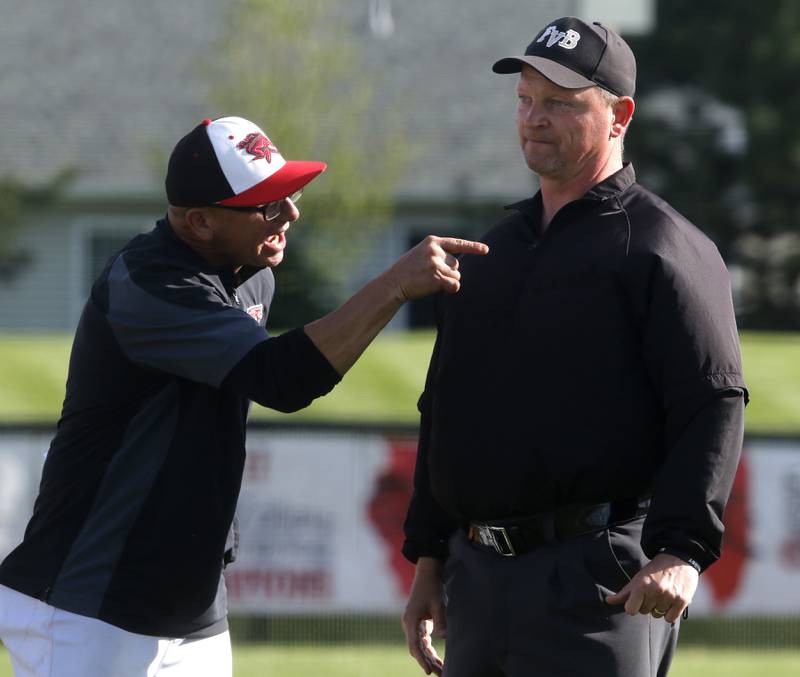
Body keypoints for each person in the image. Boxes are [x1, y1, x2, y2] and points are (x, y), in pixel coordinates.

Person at [0, 115, 488, 677]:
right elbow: (283, 379)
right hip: (89, 606)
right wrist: (396, 282)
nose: (291, 214)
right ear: (200, 222)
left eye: (289, 192)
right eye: (267, 203)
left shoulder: (253, 271)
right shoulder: (148, 284)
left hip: (192, 604)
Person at [401, 17, 748, 677]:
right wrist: (429, 557)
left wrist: (681, 550)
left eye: (560, 103)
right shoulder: (489, 251)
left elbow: (713, 400)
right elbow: (444, 407)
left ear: (620, 115)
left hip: (599, 581)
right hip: (477, 577)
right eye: (526, 99)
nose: (534, 117)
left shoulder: (664, 247)